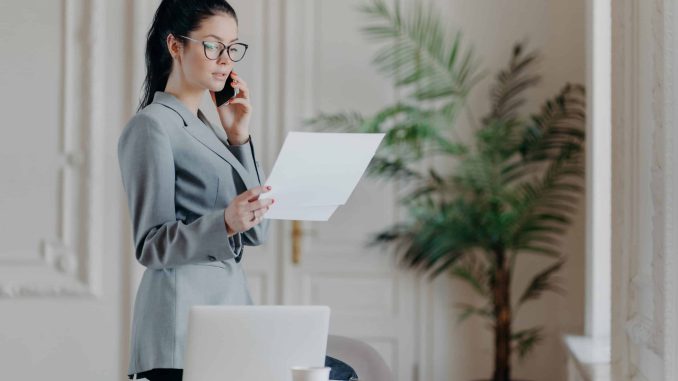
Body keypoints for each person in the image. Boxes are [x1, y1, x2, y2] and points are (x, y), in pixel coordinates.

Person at [117, 1, 358, 380]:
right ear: (175, 46)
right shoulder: (152, 126)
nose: (225, 59)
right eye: (212, 45)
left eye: (232, 47)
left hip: (228, 316)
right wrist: (225, 223)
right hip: (178, 329)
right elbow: (150, 245)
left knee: (336, 373)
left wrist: (238, 137)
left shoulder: (207, 128)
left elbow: (257, 231)